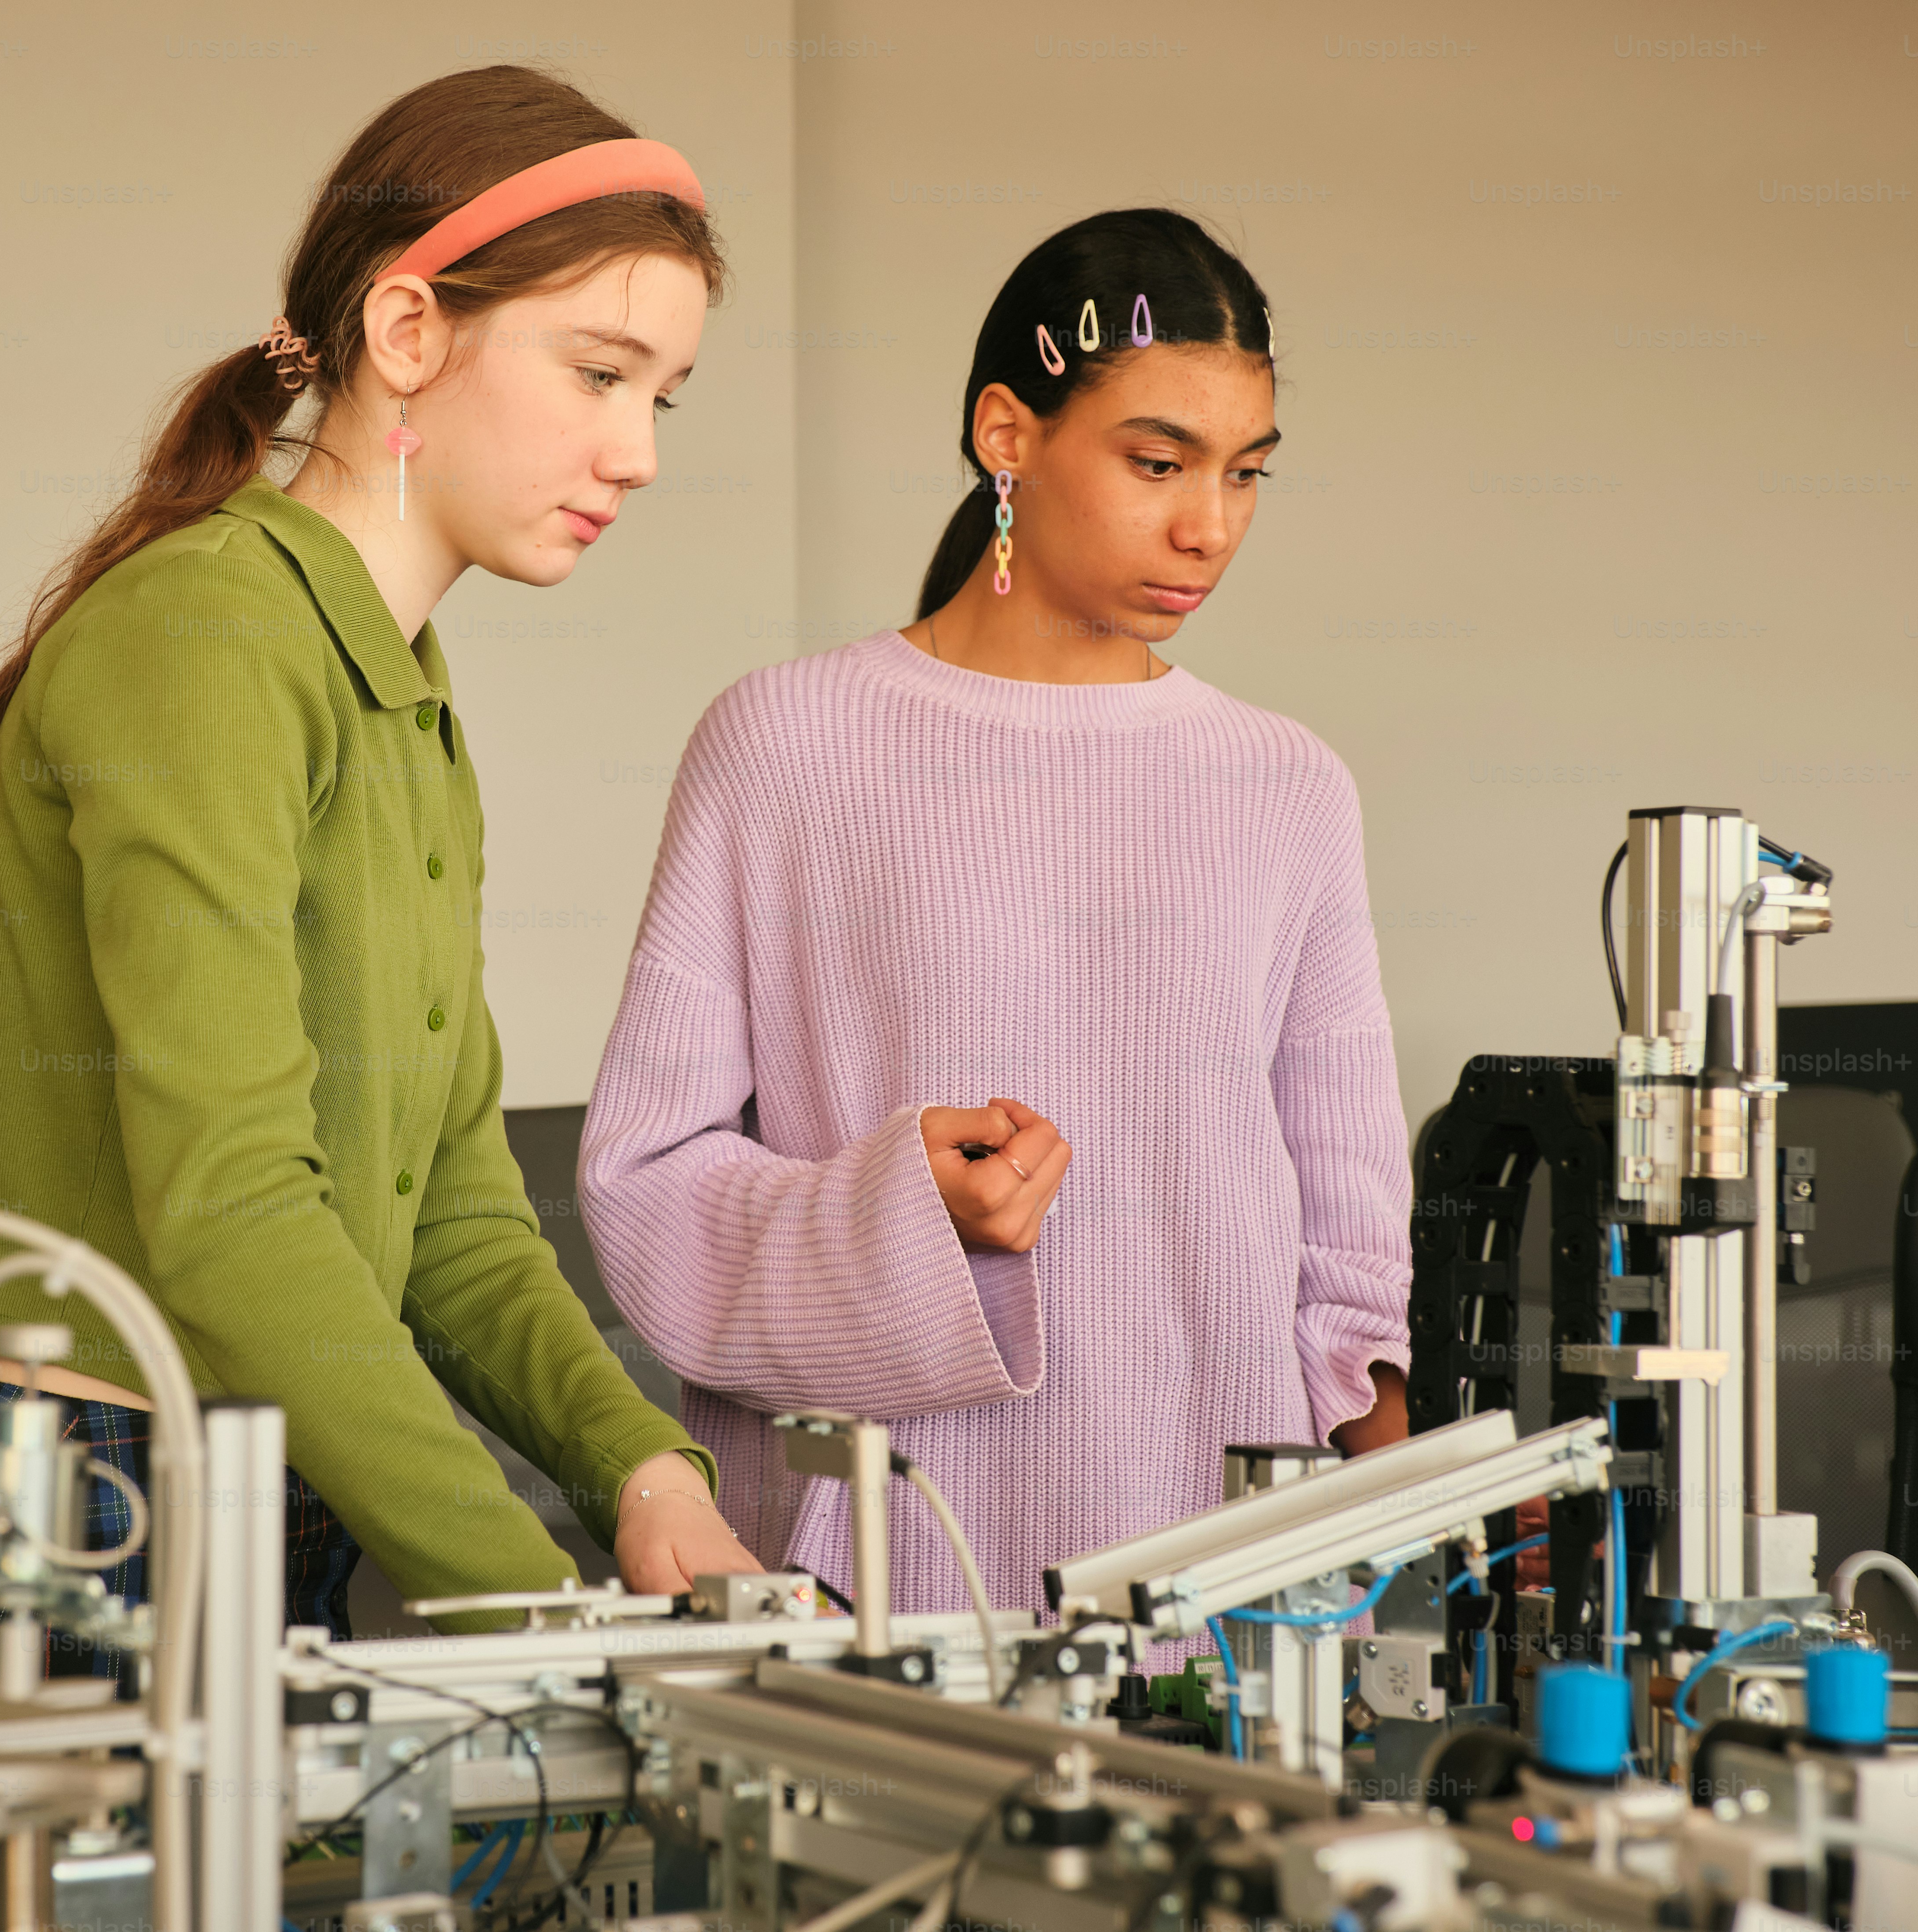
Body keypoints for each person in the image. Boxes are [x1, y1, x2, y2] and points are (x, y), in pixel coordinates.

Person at [0, 66, 758, 1685]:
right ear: (408, 334)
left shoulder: (397, 680)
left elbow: (458, 1219)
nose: (635, 453)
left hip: (273, 1481)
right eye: (599, 373)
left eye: (662, 398)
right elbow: (231, 1210)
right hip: (97, 1511)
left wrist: (641, 1470)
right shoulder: (207, 634)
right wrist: (549, 1619)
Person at [579, 209, 1413, 1639]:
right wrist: (898, 1204)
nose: (1209, 524)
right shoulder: (786, 747)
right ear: (1007, 434)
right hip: (884, 1578)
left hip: (1227, 1585)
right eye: (1158, 463)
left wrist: (1394, 1556)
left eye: (1245, 473)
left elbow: (1348, 1264)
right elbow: (643, 1183)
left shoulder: (1289, 788)